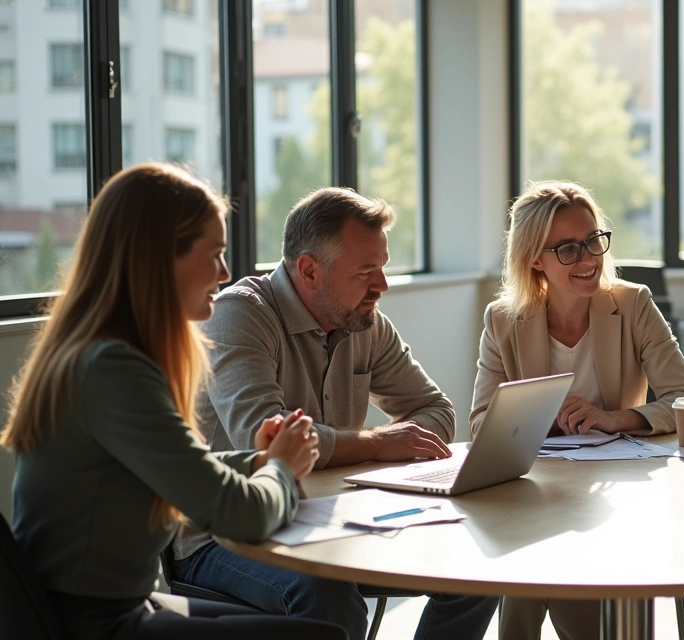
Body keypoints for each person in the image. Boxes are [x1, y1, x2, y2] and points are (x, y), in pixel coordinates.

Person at [1, 163, 343, 640]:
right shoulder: (113, 369)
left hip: (121, 603)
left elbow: (182, 466)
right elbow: (237, 514)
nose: (226, 272)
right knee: (321, 635)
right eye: (216, 255)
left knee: (326, 627)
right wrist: (281, 470)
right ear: (161, 259)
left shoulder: (100, 353)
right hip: (94, 624)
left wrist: (258, 459)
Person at [172, 187, 499, 640]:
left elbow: (435, 410)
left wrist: (382, 445)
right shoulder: (238, 315)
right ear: (309, 270)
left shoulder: (364, 321)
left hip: (335, 518)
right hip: (224, 533)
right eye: (366, 271)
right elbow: (261, 440)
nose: (381, 285)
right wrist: (378, 442)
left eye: (382, 266)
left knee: (474, 566)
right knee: (326, 594)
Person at [474, 180, 684, 639]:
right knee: (536, 555)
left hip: (621, 492)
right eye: (568, 249)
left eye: (593, 241)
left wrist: (615, 419)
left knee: (540, 563)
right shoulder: (503, 320)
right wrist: (536, 416)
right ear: (533, 259)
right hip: (540, 487)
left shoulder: (632, 302)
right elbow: (481, 424)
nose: (588, 259)